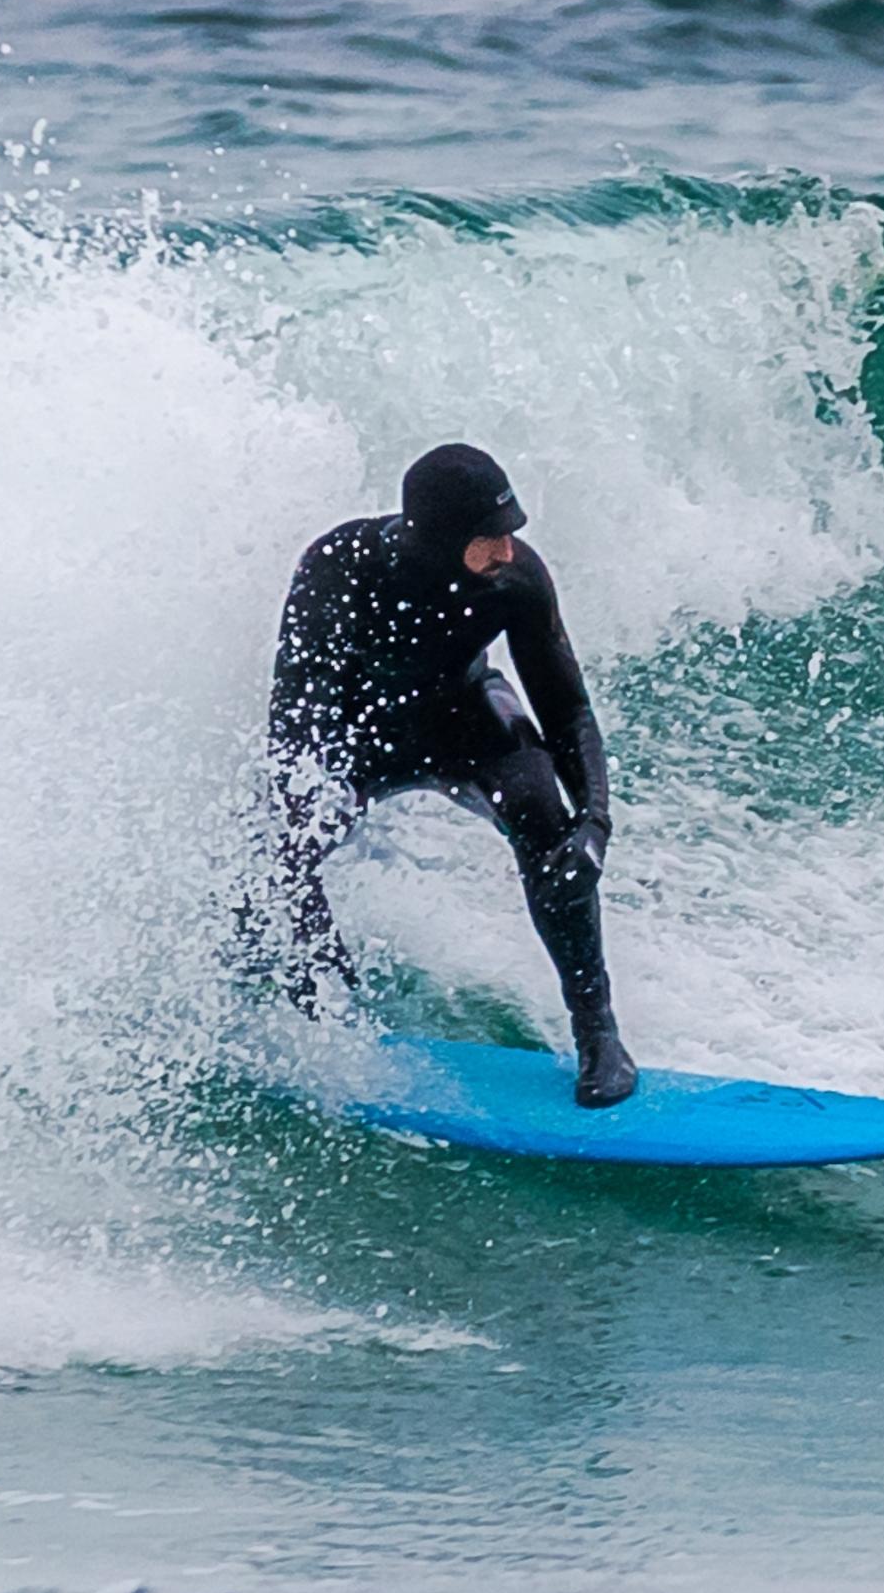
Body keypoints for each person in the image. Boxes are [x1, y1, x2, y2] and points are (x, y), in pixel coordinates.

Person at [255, 442, 638, 1107]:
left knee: (547, 824)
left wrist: (595, 822)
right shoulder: (338, 567)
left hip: (466, 724)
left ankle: (597, 1028)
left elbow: (567, 709)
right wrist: (299, 863)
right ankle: (308, 986)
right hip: (359, 734)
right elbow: (293, 722)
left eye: (511, 532)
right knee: (281, 848)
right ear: (439, 537)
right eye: (491, 537)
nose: (508, 551)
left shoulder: (516, 582)